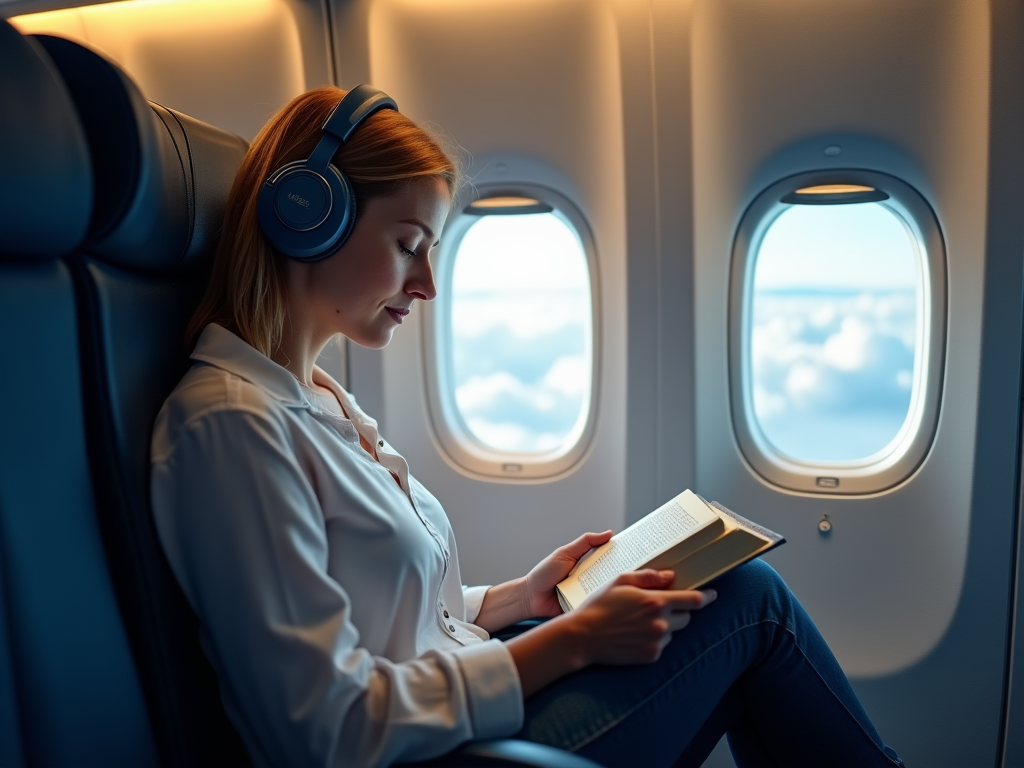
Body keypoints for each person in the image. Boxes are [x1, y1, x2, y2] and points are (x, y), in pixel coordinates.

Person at [150, 85, 904, 768]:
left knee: (725, 599)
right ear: (309, 217)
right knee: (752, 609)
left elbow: (395, 614)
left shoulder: (314, 397)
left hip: (459, 706)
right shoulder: (231, 426)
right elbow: (322, 729)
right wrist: (574, 640)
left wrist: (523, 598)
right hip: (431, 752)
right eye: (409, 245)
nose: (428, 285)